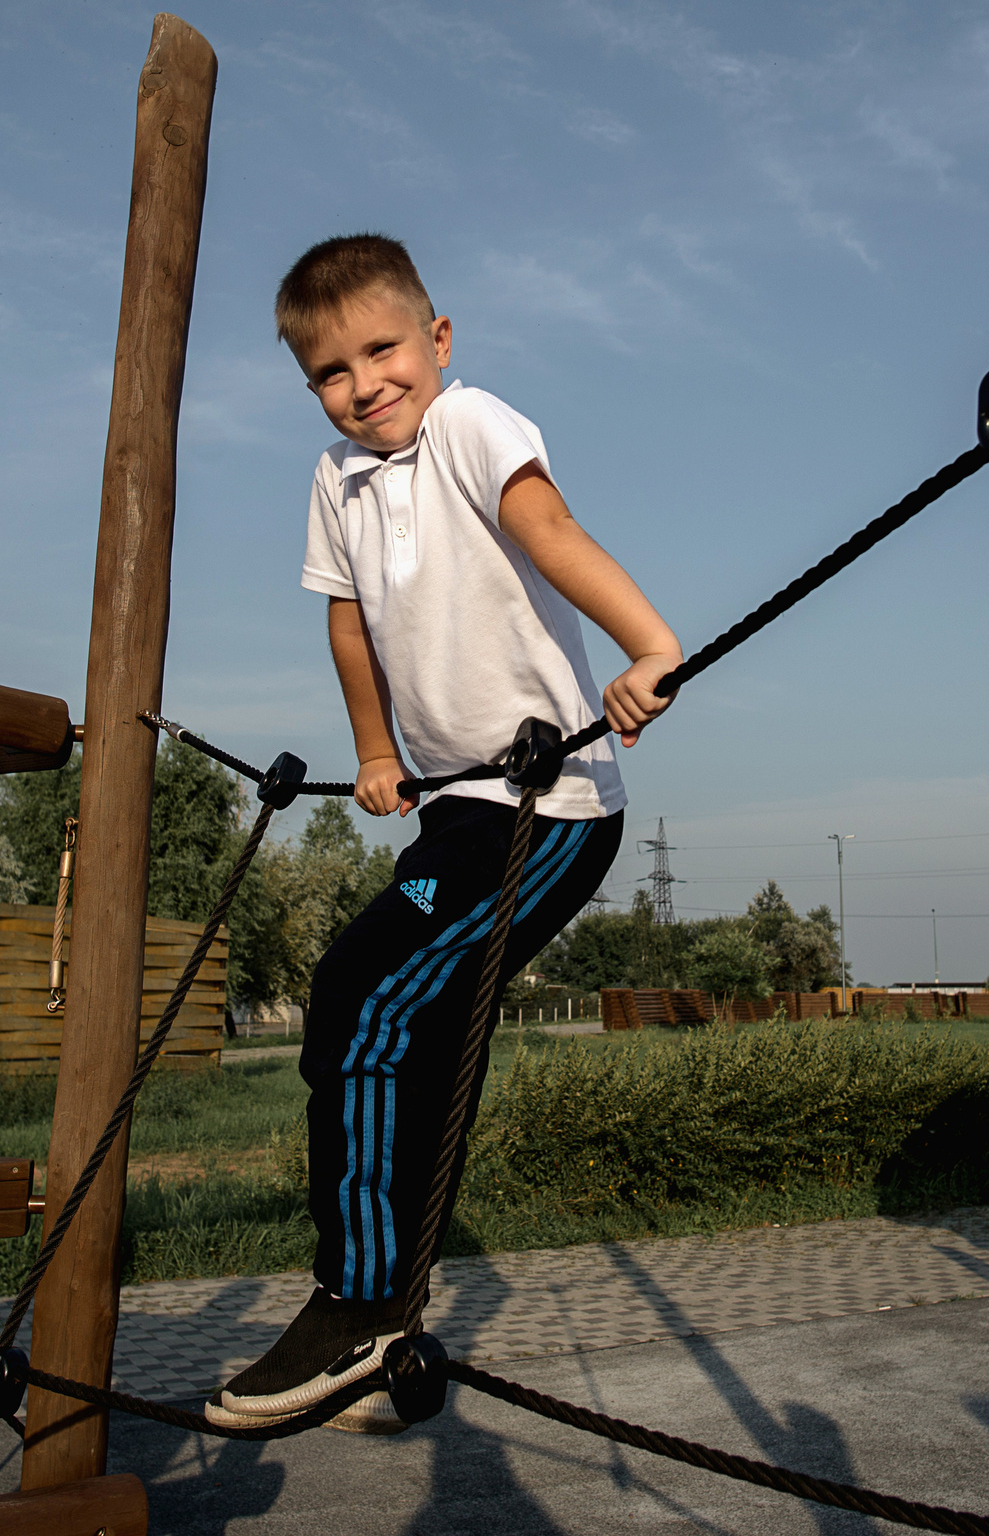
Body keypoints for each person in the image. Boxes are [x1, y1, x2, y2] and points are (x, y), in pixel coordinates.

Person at [214, 234, 680, 1433]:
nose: (365, 383)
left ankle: (357, 1305)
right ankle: (392, 1335)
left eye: (382, 349)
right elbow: (353, 631)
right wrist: (375, 751)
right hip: (460, 804)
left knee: (361, 996)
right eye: (330, 369)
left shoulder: (472, 424)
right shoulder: (336, 479)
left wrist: (650, 645)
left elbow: (552, 533)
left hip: (547, 805)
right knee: (403, 1027)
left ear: (439, 340)